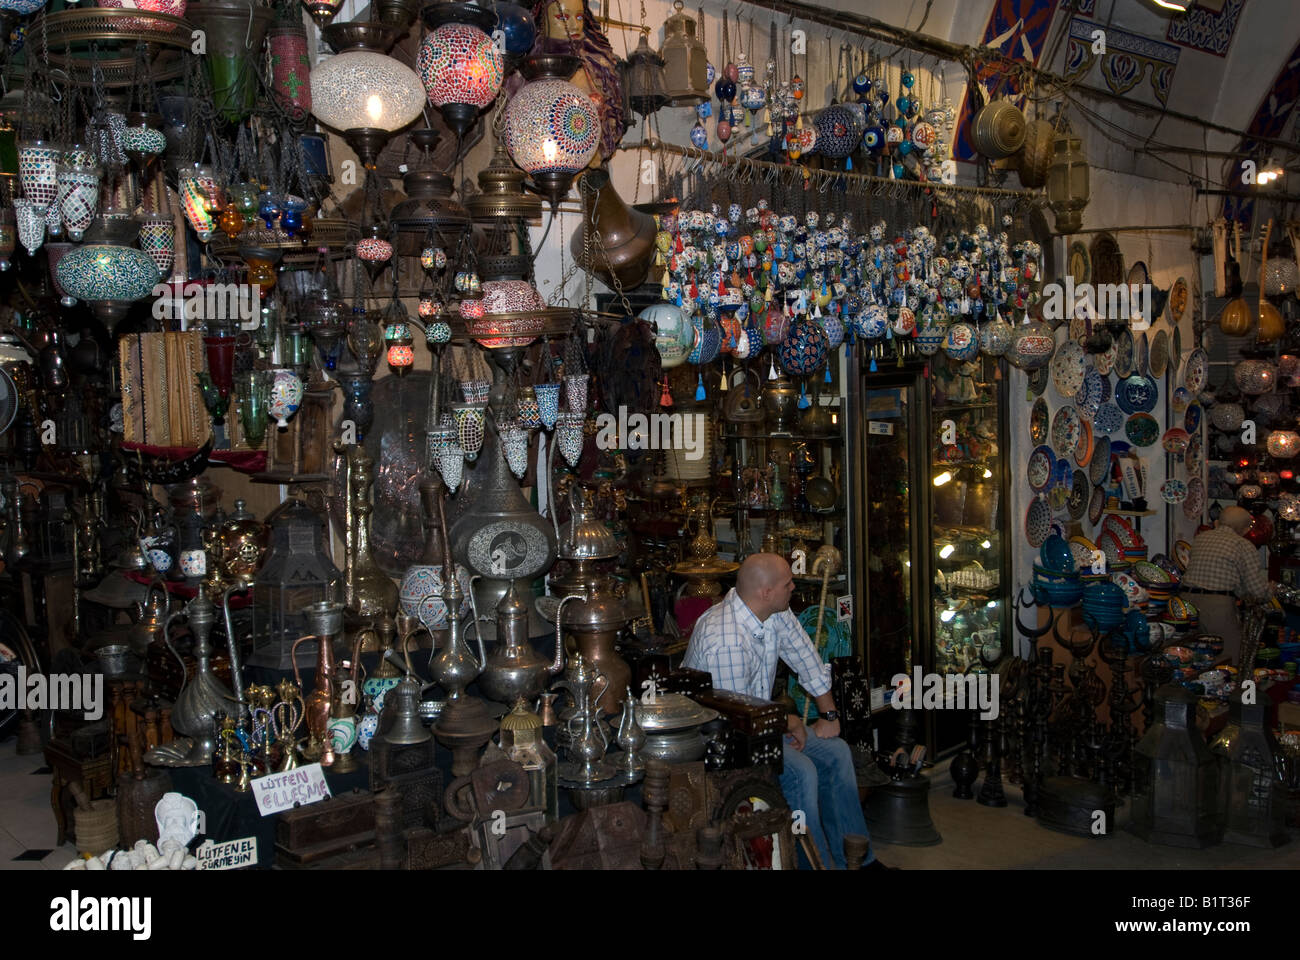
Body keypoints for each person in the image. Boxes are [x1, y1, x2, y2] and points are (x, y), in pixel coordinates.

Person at [683, 553, 880, 869]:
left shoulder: (773, 611)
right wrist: (788, 721)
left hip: (761, 724)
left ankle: (858, 860)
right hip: (723, 740)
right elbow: (739, 717)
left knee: (836, 751)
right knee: (802, 772)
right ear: (766, 592)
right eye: (788, 583)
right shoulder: (727, 637)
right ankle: (814, 864)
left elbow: (805, 656)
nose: (793, 587)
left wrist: (829, 715)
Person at [1181, 506, 1272, 663]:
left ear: (1218, 522)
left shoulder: (1201, 538)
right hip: (1217, 608)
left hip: (1184, 603)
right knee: (1229, 657)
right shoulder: (1243, 545)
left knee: (1191, 658)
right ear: (1245, 528)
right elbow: (1256, 591)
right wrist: (1272, 590)